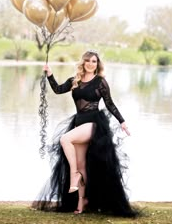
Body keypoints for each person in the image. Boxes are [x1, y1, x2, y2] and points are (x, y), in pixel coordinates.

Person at [33, 50, 139, 217]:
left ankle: (74, 176)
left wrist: (122, 121)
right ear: (83, 62)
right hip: (79, 123)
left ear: (98, 64)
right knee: (82, 165)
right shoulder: (74, 80)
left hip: (94, 124)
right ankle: (83, 201)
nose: (91, 64)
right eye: (88, 61)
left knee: (65, 139)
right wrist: (50, 74)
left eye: (94, 61)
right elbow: (58, 90)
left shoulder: (100, 82)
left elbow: (110, 104)